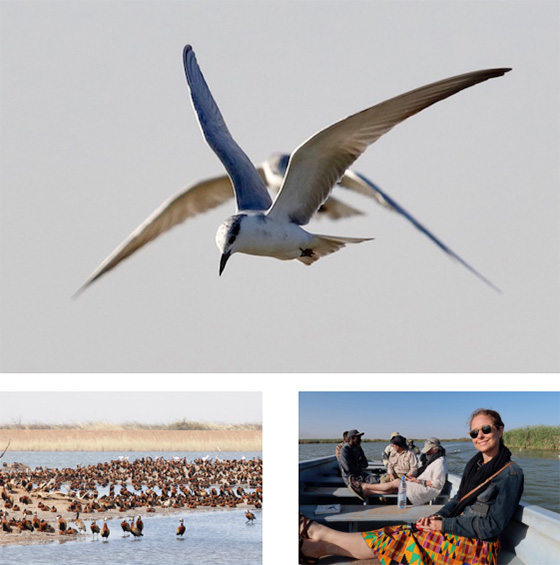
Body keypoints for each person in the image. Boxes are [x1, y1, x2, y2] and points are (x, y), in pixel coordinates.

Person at [299, 409, 524, 565]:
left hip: (477, 549)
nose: (480, 436)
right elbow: (456, 500)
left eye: (485, 429)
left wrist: (443, 525)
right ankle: (316, 548)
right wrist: (434, 518)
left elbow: (492, 526)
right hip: (456, 530)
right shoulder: (474, 465)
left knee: (404, 538)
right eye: (474, 433)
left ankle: (318, 536)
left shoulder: (511, 474)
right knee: (400, 530)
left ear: (500, 430)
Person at [348, 437, 448, 506]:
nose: (427, 452)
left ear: (436, 449)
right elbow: (390, 465)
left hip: (428, 490)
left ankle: (364, 486)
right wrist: (393, 474)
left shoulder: (440, 462)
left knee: (397, 483)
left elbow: (438, 484)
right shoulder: (431, 459)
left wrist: (416, 480)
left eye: (429, 450)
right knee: (393, 485)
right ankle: (367, 492)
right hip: (419, 483)